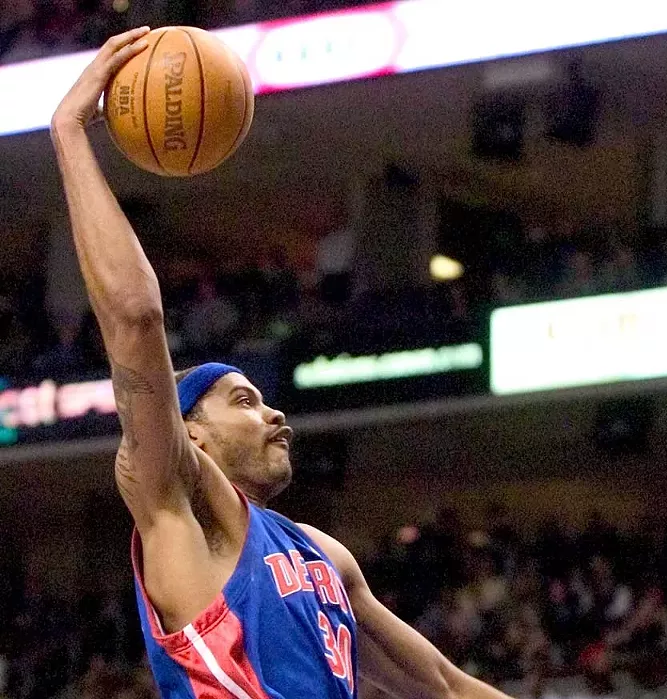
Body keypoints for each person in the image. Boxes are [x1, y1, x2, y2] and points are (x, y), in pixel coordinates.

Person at [50, 27, 514, 699]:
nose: (274, 412)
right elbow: (135, 319)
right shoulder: (176, 501)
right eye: (242, 400)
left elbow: (443, 686)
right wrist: (68, 132)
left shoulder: (324, 556)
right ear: (192, 436)